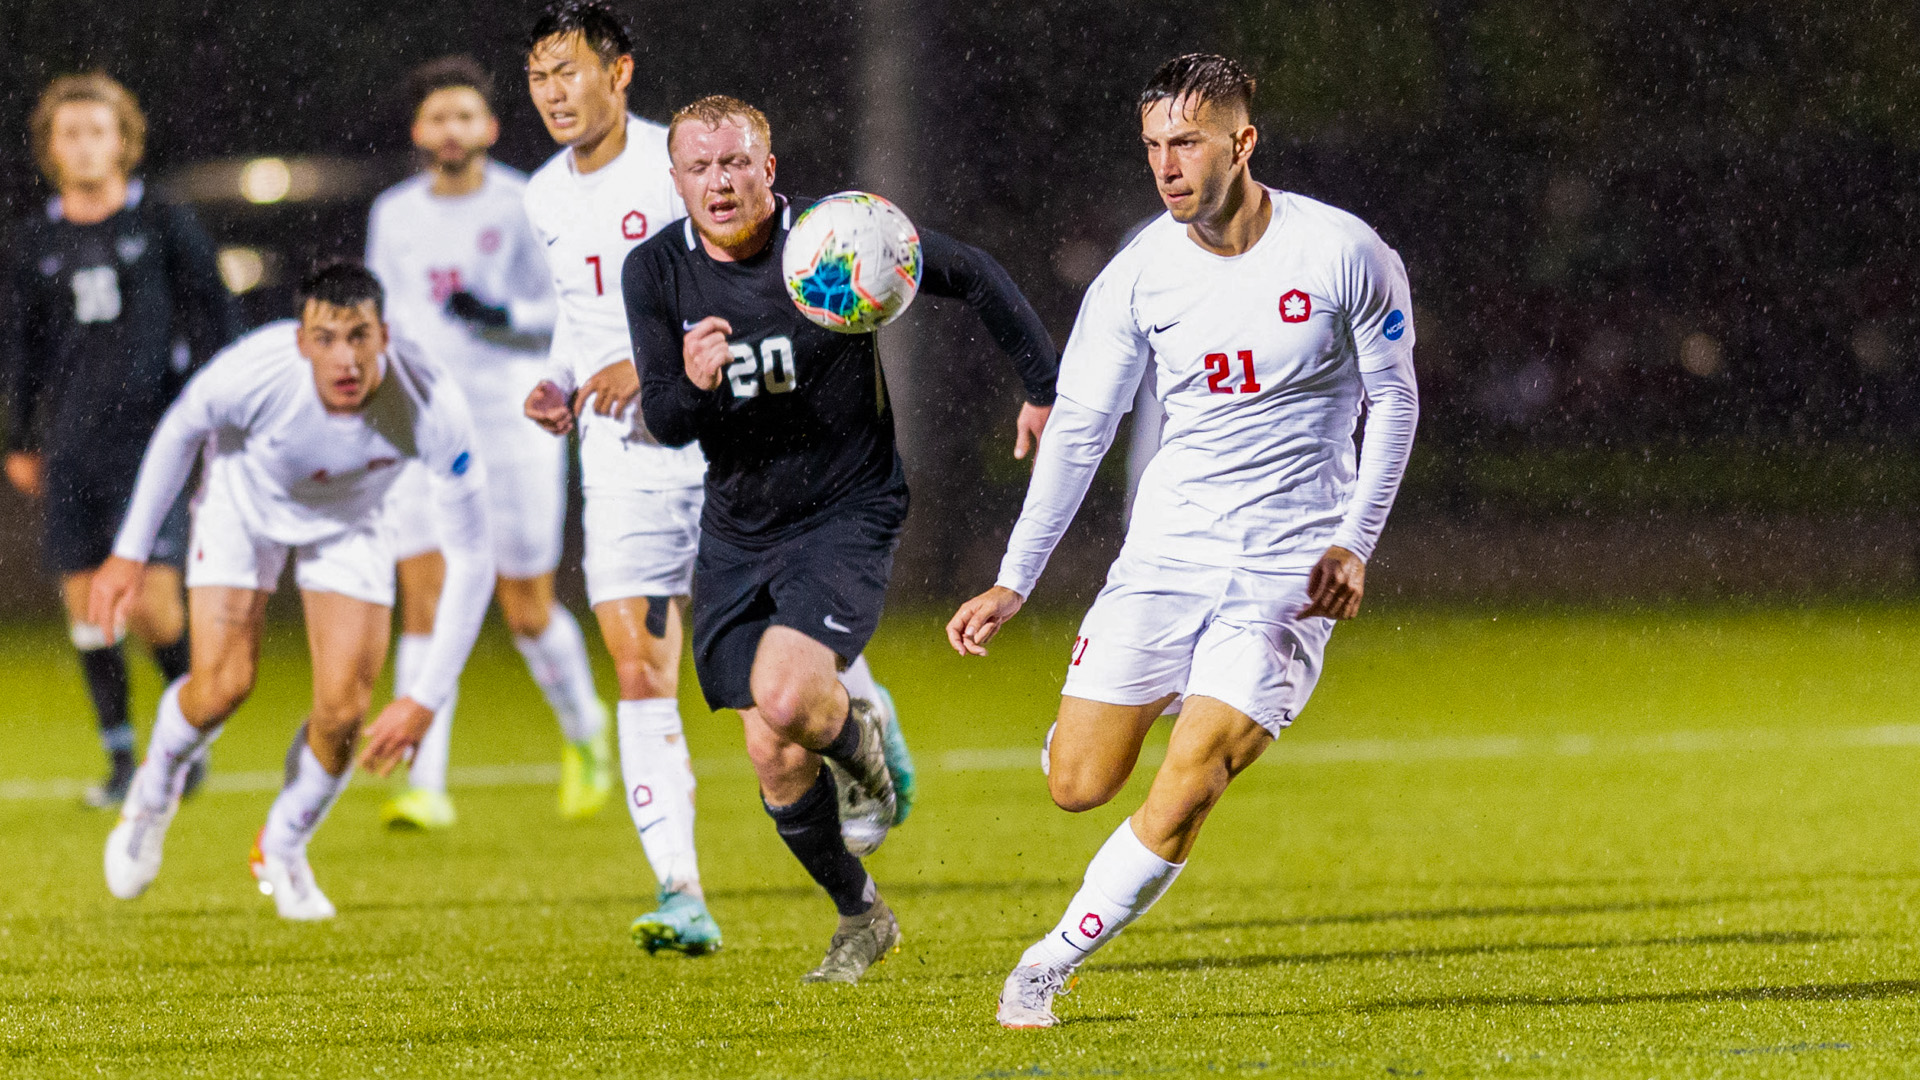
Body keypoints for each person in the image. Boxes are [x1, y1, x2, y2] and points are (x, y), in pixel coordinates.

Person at [945, 54, 1421, 1028]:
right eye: (1154, 144)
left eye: (1188, 141)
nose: (1167, 163)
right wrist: (1012, 581)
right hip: (1167, 556)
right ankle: (1129, 704)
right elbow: (1079, 428)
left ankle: (1047, 964)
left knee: (1194, 775)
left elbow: (1395, 399)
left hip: (1286, 571)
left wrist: (1352, 544)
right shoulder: (1140, 275)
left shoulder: (1343, 253)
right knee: (1079, 785)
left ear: (1242, 143)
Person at [617, 93, 1059, 983]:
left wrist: (1044, 385)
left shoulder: (835, 239)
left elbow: (970, 272)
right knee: (771, 751)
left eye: (736, 163)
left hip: (845, 510)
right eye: (699, 169)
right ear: (675, 182)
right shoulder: (655, 270)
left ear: (768, 170)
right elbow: (666, 418)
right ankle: (862, 915)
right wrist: (694, 382)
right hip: (739, 527)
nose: (720, 182)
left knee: (787, 701)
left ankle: (855, 737)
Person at [93, 263, 494, 921]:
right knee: (222, 686)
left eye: (359, 336)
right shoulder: (255, 371)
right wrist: (130, 553)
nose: (345, 357)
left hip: (353, 522)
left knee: (343, 715)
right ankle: (154, 790)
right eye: (326, 337)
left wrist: (425, 699)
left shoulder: (432, 402)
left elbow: (474, 556)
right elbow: (180, 429)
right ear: (301, 341)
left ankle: (281, 846)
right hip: (242, 508)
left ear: (385, 336)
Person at [515, 0, 720, 955]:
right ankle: (681, 889)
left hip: (724, 441)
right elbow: (578, 311)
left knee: (779, 678)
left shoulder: (676, 163)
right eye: (539, 76)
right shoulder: (543, 192)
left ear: (620, 72)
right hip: (620, 456)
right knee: (641, 671)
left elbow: (735, 289)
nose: (554, 93)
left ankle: (863, 715)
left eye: (570, 71)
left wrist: (654, 365)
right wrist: (559, 380)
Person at [0, 72, 240, 807]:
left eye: (97, 130)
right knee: (89, 613)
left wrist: (213, 413)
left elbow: (213, 319)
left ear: (124, 141)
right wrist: (20, 437)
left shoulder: (164, 223)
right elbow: (22, 346)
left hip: (154, 442)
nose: (84, 144)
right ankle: (120, 762)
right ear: (50, 147)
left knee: (155, 607)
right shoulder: (34, 240)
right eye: (69, 132)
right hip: (71, 448)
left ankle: (185, 742)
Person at [364, 55, 575, 832]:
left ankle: (586, 733)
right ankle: (425, 784)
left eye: (465, 116)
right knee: (422, 599)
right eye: (436, 117)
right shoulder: (393, 213)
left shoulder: (526, 202)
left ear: (487, 127)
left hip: (513, 417)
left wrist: (502, 318)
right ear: (420, 131)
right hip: (425, 425)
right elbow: (382, 315)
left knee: (526, 610)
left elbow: (565, 313)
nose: (451, 130)